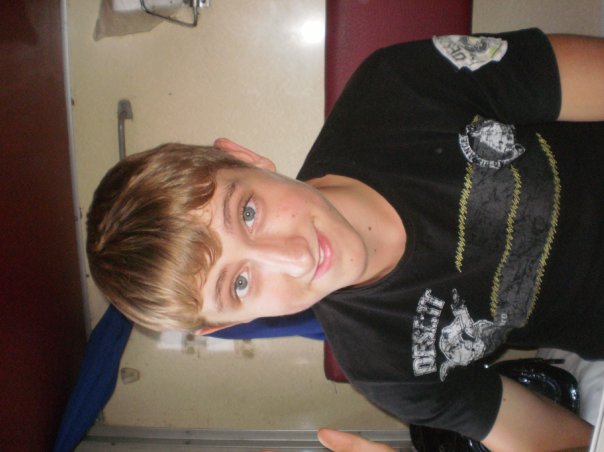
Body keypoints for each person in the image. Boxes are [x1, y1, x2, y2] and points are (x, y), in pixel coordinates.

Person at [87, 28, 604, 450]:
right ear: (233, 324)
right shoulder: (388, 369)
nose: (295, 257)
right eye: (240, 284)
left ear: (245, 159)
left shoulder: (396, 90)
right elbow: (569, 443)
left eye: (247, 212)